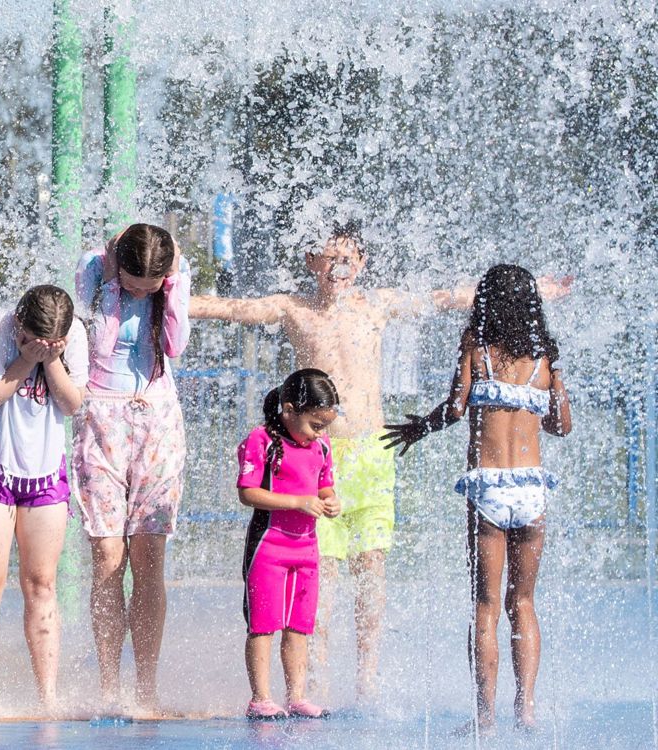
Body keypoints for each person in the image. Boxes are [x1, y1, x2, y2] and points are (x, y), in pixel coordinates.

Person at [190, 222, 570, 704]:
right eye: (329, 258)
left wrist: (540, 290)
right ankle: (317, 676)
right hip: (318, 455)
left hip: (372, 453)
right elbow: (232, 310)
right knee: (319, 571)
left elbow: (446, 297)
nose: (339, 268)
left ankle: (367, 674)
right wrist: (173, 297)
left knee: (371, 569)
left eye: (348, 259)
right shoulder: (293, 308)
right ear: (311, 262)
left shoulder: (377, 304)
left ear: (363, 264)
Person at [382, 264, 571, 734]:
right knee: (523, 602)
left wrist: (416, 428)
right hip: (531, 488)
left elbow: (454, 408)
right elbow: (562, 426)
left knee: (485, 605)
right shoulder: (543, 360)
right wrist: (550, 388)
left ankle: (484, 718)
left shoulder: (476, 348)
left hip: (488, 485)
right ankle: (525, 709)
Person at [73, 222, 191, 711]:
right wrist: (115, 285)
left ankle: (146, 685)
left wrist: (175, 284)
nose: (140, 293)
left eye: (149, 287)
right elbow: (93, 341)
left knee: (148, 560)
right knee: (107, 559)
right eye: (133, 284)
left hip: (157, 422)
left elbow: (176, 345)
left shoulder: (173, 278)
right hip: (101, 416)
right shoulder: (94, 270)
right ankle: (108, 686)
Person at [0, 285, 88, 714]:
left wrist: (51, 360)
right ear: (20, 324)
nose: (45, 344)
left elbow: (72, 404)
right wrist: (25, 358)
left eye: (54, 341)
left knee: (41, 584)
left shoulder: (75, 338)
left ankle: (47, 696)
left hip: (46, 471)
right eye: (37, 337)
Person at [237, 369, 341, 720]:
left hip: (306, 550)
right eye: (314, 424)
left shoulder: (321, 446)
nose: (319, 433)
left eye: (324, 426)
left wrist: (330, 500)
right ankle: (260, 698)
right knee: (264, 625)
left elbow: (324, 484)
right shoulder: (261, 440)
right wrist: (298, 502)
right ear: (288, 409)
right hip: (269, 548)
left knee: (299, 626)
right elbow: (248, 492)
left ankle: (297, 695)